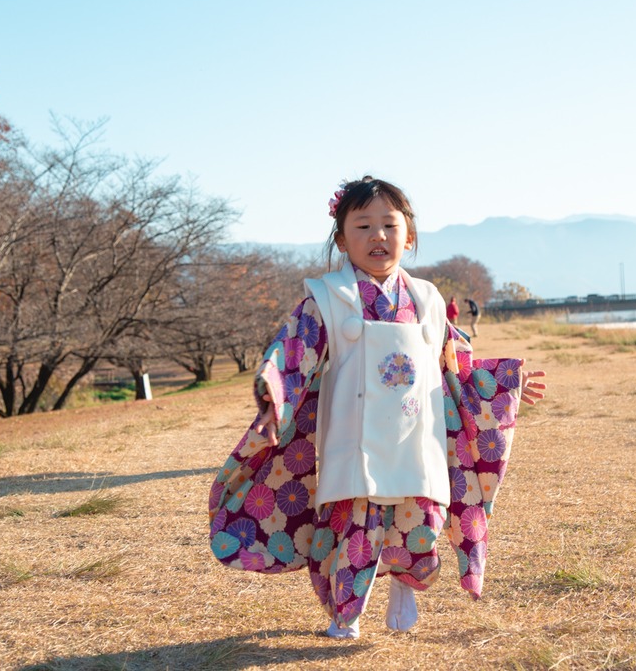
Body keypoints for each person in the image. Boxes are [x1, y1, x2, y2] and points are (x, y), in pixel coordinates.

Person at [208, 176, 545, 640]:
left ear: (409, 234)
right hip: (354, 437)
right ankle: (346, 613)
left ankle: (403, 589)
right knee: (354, 529)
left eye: (390, 224)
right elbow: (292, 353)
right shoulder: (327, 297)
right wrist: (272, 403)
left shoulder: (426, 299)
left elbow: (455, 364)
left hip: (417, 438)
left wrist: (502, 382)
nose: (378, 236)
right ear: (342, 238)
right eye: (363, 225)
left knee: (419, 525)